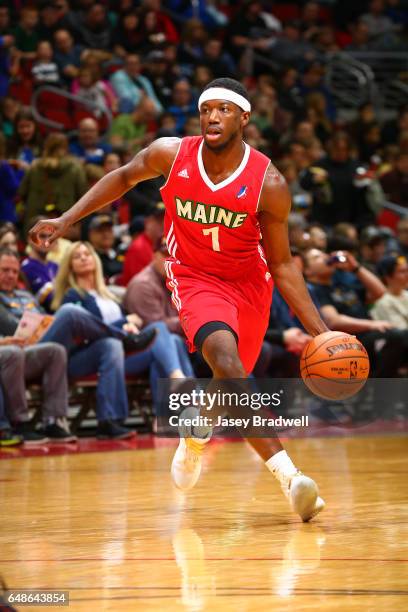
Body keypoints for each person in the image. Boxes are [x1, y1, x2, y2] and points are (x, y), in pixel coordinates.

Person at [29, 77, 334, 522]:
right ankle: (292, 479)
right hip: (194, 278)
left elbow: (284, 264)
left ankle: (194, 430)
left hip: (249, 285)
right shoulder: (171, 154)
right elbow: (122, 176)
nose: (212, 116)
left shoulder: (268, 182)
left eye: (223, 109)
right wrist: (66, 219)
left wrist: (322, 333)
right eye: (206, 108)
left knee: (230, 380)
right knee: (227, 364)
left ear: (244, 117)